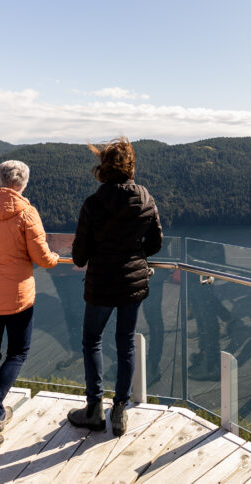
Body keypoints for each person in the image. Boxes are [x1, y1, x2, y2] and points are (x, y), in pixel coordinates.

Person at [67, 137, 163, 437]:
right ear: (131, 166)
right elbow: (156, 243)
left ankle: (94, 408)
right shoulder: (145, 199)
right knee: (126, 344)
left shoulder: (93, 204)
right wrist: (134, 254)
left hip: (101, 285)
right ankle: (119, 410)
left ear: (104, 167)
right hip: (133, 283)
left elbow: (79, 255)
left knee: (92, 340)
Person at [0, 160, 60, 450]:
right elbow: (41, 256)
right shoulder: (26, 213)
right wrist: (55, 257)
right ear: (23, 184)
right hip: (17, 298)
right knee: (18, 353)